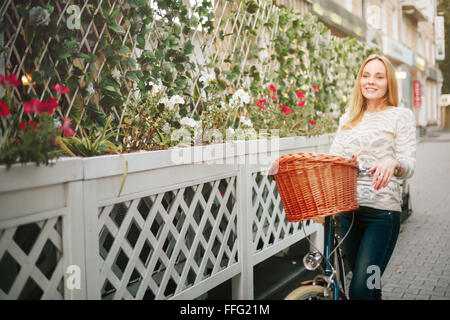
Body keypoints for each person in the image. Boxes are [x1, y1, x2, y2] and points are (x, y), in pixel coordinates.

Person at [327, 54, 416, 300]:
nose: (371, 81)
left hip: (382, 217)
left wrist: (393, 161)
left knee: (360, 290)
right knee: (369, 287)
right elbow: (335, 159)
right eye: (366, 76)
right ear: (359, 80)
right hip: (349, 214)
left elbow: (409, 165)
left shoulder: (401, 116)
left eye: (378, 76)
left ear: (389, 83)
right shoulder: (349, 118)